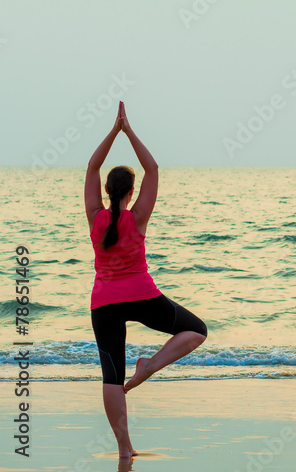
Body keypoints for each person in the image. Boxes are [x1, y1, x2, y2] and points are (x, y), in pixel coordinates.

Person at [85, 101, 208, 459]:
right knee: (196, 330)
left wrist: (113, 131)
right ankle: (150, 366)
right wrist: (128, 129)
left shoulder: (94, 217)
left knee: (111, 376)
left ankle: (124, 449)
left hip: (103, 303)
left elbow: (92, 166)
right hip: (142, 296)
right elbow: (152, 168)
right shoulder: (138, 216)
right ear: (130, 191)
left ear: (108, 190)